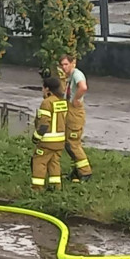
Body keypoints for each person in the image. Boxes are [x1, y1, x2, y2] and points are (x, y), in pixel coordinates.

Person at [59, 54, 92, 183]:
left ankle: (85, 172)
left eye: (66, 64)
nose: (64, 67)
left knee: (73, 143)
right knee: (68, 143)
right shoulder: (69, 76)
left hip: (75, 112)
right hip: (69, 110)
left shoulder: (76, 74)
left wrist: (76, 98)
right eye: (62, 65)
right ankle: (77, 170)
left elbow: (83, 87)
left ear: (73, 63)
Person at [32, 77, 67, 192]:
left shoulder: (47, 103)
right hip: (60, 141)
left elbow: (44, 124)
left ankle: (37, 189)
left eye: (43, 88)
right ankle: (56, 188)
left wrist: (36, 137)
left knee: (39, 162)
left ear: (47, 89)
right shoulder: (61, 101)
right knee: (54, 163)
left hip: (47, 142)